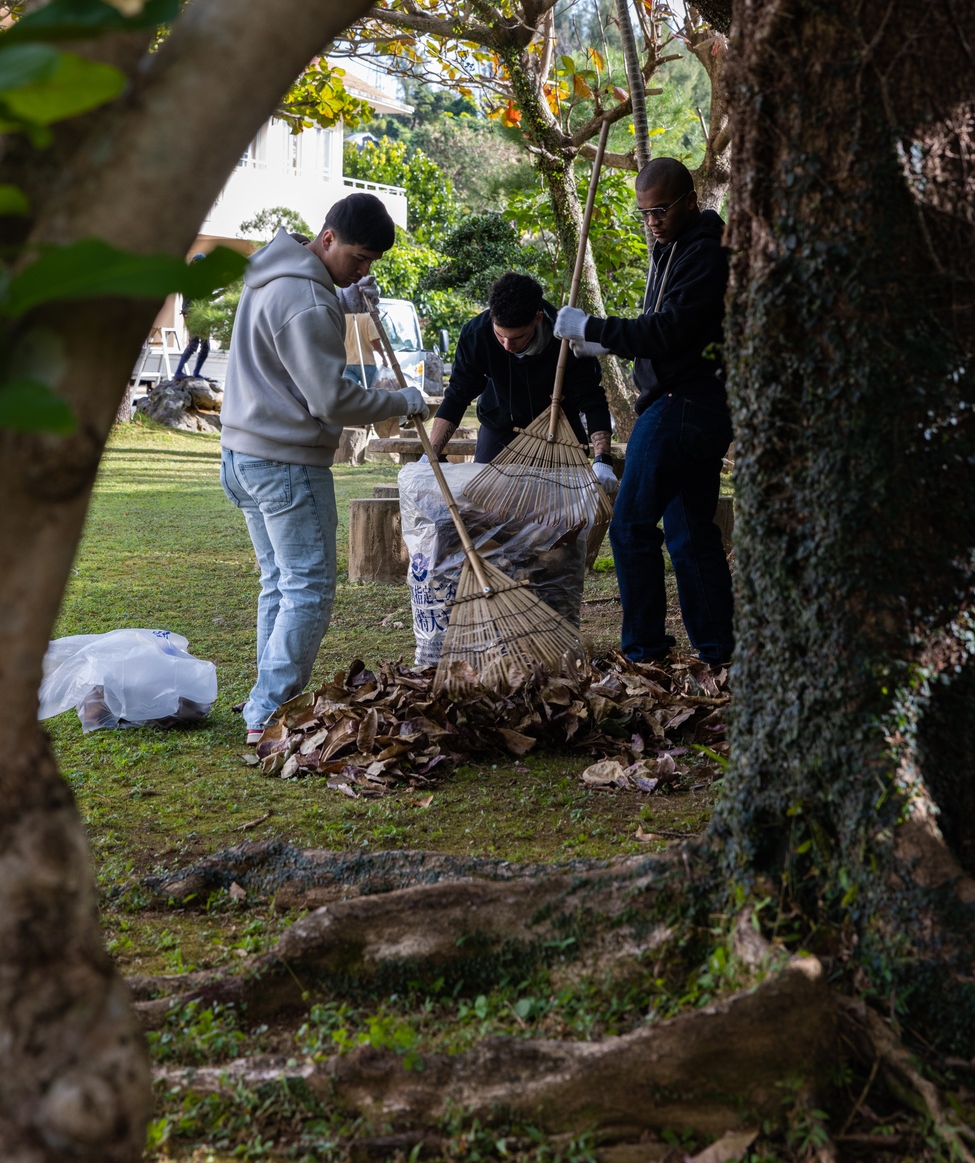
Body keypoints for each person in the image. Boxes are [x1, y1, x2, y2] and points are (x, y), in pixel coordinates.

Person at [220, 197, 428, 743]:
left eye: (371, 263)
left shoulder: (271, 269)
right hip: (284, 461)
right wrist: (401, 400)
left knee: (281, 584)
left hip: (242, 455)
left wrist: (345, 295)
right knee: (308, 588)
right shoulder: (307, 298)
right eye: (359, 258)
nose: (364, 270)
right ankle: (269, 714)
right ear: (328, 238)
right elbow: (331, 401)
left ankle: (266, 704)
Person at [554, 158, 733, 669]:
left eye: (660, 210)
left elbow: (669, 331)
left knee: (630, 525)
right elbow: (666, 332)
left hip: (684, 405)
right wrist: (604, 347)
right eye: (644, 213)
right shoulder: (671, 248)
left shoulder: (705, 252)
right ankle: (722, 656)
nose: (652, 220)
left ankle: (646, 654)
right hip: (685, 402)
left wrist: (595, 329)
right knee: (690, 533)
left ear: (690, 201)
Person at [429, 271, 617, 494]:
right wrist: (429, 456)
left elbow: (591, 399)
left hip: (560, 427)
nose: (507, 346)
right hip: (501, 422)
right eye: (500, 336)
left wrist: (602, 459)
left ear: (537, 319)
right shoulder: (476, 335)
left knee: (565, 509)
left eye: (516, 338)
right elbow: (457, 395)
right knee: (485, 499)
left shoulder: (567, 339)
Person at [173, 253, 211, 380]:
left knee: (204, 346)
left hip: (201, 313)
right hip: (193, 313)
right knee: (194, 343)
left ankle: (195, 372)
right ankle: (179, 371)